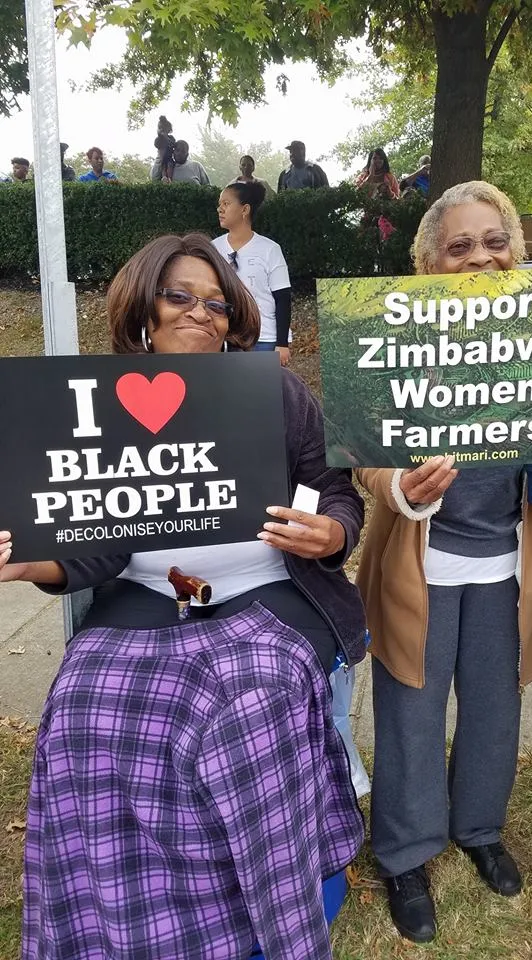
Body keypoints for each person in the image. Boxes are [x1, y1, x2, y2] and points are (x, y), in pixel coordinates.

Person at [0, 232, 366, 960]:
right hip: (148, 590)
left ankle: (275, 905)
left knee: (247, 697)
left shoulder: (274, 390)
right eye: (181, 296)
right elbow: (91, 548)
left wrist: (330, 534)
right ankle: (128, 916)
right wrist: (25, 566)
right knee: (82, 709)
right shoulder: (94, 400)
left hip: (268, 587)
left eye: (217, 303)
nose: (202, 313)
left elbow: (336, 490)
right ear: (144, 305)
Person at [355, 180, 532, 945]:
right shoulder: (390, 335)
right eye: (459, 245)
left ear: (518, 249)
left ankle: (479, 828)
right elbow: (363, 457)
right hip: (419, 565)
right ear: (428, 261)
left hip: (506, 565)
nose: (480, 256)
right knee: (409, 711)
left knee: (497, 709)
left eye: (494, 240)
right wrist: (396, 485)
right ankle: (404, 853)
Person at [213, 181, 292, 365]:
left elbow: (283, 298)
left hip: (264, 339)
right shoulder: (213, 248)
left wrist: (282, 344)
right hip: (225, 338)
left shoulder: (270, 249)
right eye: (219, 204)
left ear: (244, 209)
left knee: (265, 393)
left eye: (226, 204)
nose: (220, 209)